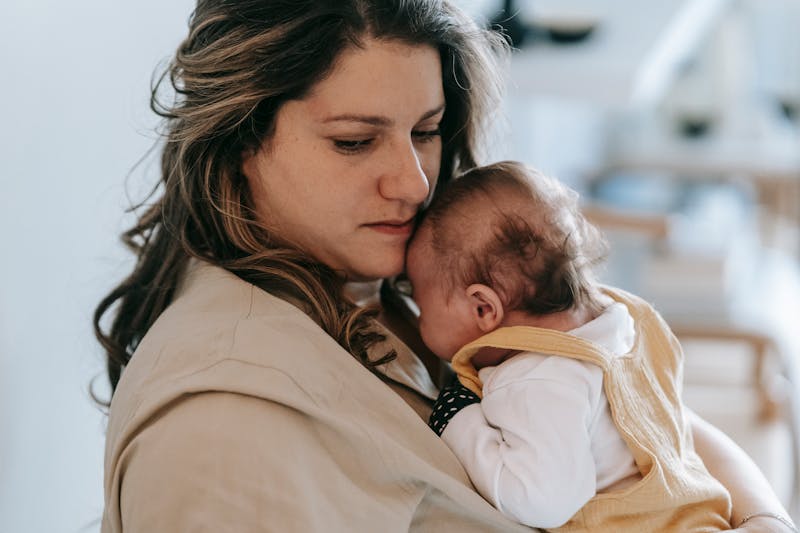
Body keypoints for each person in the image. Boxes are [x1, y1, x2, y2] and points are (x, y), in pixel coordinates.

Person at [94, 1, 796, 532]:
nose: (411, 181)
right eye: (354, 141)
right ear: (239, 138)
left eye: (426, 132)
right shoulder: (218, 438)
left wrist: (762, 515)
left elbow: (636, 407)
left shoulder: (384, 275)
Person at [406, 161, 740, 531]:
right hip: (699, 512)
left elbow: (542, 501)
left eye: (420, 303)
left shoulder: (535, 378)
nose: (416, 317)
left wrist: (458, 420)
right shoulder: (629, 322)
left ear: (483, 308)